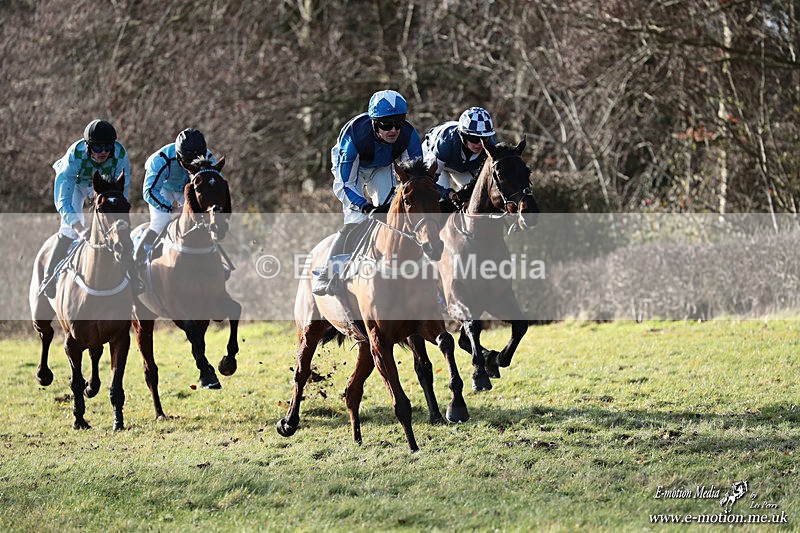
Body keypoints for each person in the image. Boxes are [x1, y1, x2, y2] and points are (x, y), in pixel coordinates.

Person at [313, 89, 456, 296]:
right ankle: (326, 273)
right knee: (355, 220)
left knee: (393, 216)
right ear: (374, 123)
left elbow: (417, 175)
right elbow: (345, 184)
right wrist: (364, 206)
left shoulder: (408, 135)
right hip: (352, 170)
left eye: (398, 123)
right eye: (386, 125)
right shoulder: (355, 137)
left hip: (383, 166)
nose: (394, 130)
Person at [43, 119, 131, 298]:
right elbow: (63, 201)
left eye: (107, 147)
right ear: (88, 146)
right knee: (70, 230)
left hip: (100, 185)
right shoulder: (75, 156)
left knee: (115, 223)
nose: (103, 152)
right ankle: (49, 278)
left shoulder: (120, 155)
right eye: (98, 148)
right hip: (74, 185)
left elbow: (123, 191)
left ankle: (133, 275)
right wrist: (80, 230)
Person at [134, 128, 215, 263]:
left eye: (197, 161)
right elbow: (149, 192)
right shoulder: (160, 160)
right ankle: (139, 258)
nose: (192, 166)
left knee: (202, 221)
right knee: (161, 222)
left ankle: (215, 258)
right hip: (163, 189)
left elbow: (214, 186)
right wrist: (171, 208)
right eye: (188, 161)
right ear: (178, 156)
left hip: (188, 188)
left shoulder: (208, 157)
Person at [422, 107, 497, 205]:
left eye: (484, 138)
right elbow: (428, 182)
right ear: (463, 136)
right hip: (436, 160)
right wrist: (449, 194)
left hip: (461, 166)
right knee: (441, 201)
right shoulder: (446, 144)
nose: (480, 144)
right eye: (474, 138)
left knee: (476, 197)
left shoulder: (490, 146)